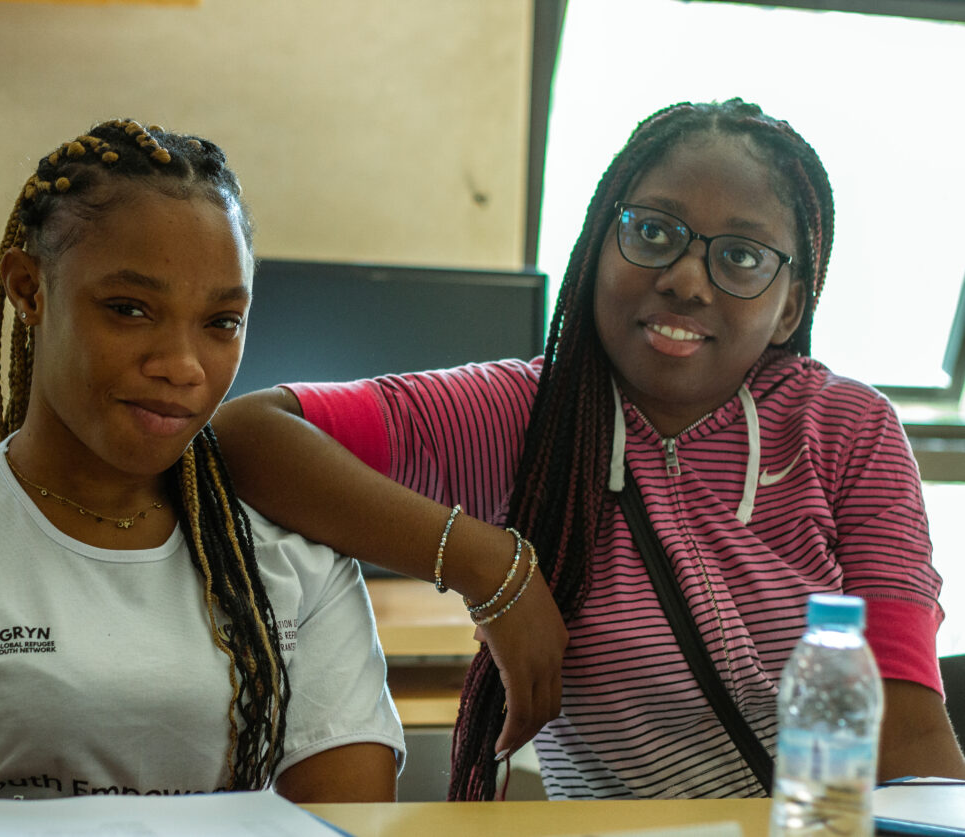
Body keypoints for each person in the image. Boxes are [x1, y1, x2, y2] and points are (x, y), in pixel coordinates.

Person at [212, 99, 965, 800]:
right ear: (598, 242)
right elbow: (249, 433)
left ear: (789, 306)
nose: (684, 279)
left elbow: (908, 734)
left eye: (739, 256)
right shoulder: (525, 415)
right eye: (652, 231)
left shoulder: (848, 431)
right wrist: (489, 565)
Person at [0, 119, 403, 809]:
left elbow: (343, 824)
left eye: (221, 321)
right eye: (129, 309)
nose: (182, 366)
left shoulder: (299, 562)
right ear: (28, 289)